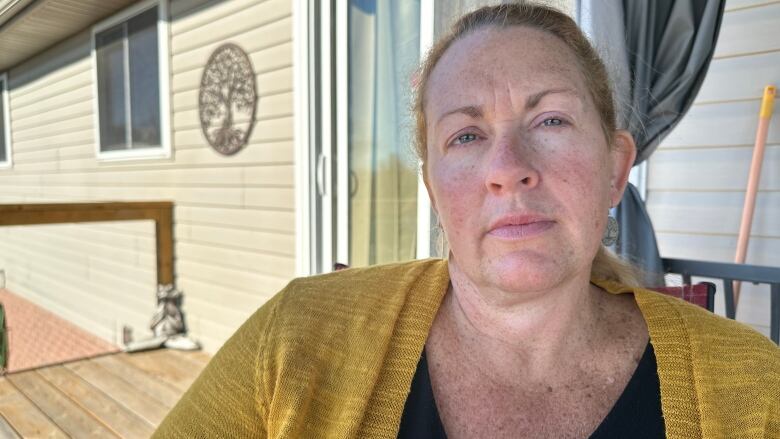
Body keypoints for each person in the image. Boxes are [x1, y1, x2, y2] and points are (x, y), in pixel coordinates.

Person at [154, 3, 779, 438]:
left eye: (551, 121)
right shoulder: (296, 341)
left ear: (616, 169)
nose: (508, 169)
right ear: (432, 189)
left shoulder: (754, 386)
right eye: (467, 135)